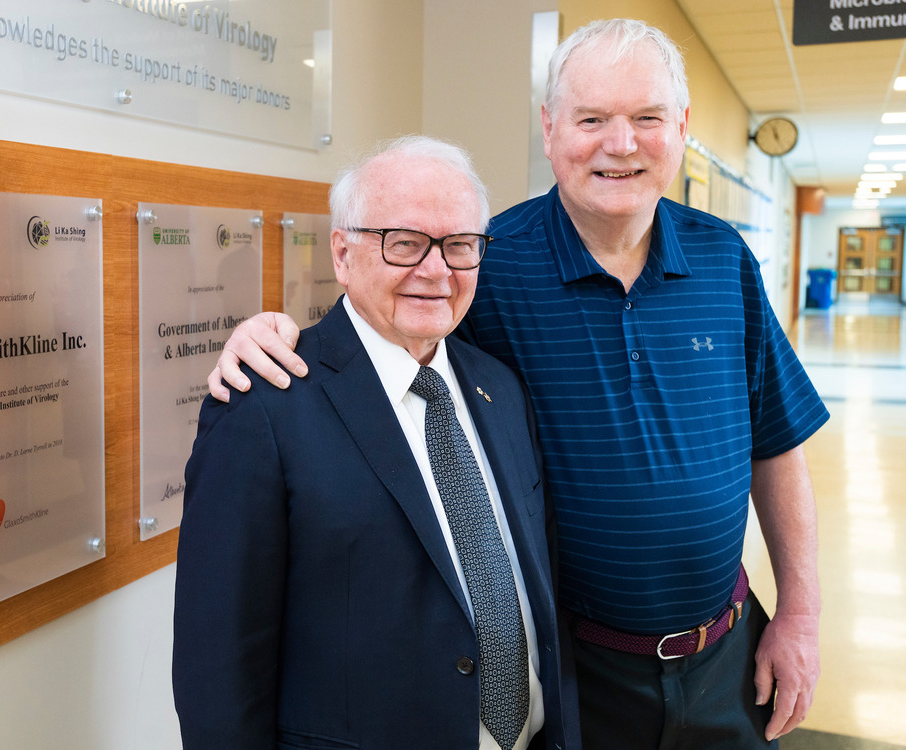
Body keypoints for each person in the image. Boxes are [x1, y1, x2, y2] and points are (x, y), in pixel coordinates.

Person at [206, 19, 830, 750]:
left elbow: (777, 445)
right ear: (550, 128)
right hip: (576, 675)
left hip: (726, 656)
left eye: (647, 119)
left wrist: (800, 615)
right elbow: (383, 341)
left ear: (682, 128)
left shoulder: (726, 261)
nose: (620, 144)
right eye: (592, 119)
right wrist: (279, 335)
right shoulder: (490, 268)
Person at [173, 135, 579, 750]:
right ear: (342, 252)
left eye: (460, 246)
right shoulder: (265, 405)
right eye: (406, 243)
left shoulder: (499, 388)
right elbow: (218, 662)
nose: (437, 271)